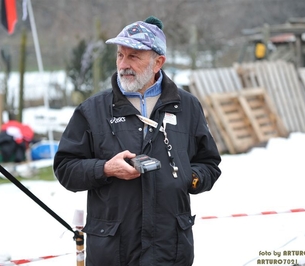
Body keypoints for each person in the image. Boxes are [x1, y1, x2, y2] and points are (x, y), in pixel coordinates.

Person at [53, 16, 221, 266]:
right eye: (120, 55)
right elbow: (66, 168)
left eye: (133, 57)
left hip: (170, 249)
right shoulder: (93, 110)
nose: (123, 64)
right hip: (113, 250)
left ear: (158, 62)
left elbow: (209, 164)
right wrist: (105, 168)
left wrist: (190, 177)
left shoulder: (187, 107)